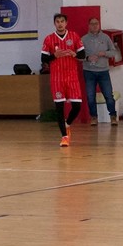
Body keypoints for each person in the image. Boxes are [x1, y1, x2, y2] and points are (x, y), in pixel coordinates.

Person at [41, 13, 86, 147]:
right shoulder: (49, 39)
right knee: (59, 109)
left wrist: (75, 54)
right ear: (54, 23)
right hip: (57, 78)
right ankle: (64, 137)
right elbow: (43, 59)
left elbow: (82, 55)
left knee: (77, 106)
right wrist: (54, 55)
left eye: (62, 21)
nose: (60, 24)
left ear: (66, 23)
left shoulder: (74, 36)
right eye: (57, 21)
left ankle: (67, 124)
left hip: (72, 77)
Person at [81, 17, 119, 126]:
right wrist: (87, 58)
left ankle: (113, 116)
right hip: (89, 72)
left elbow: (113, 52)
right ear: (89, 25)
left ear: (99, 25)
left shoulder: (106, 38)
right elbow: (78, 55)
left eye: (96, 23)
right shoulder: (83, 39)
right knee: (90, 96)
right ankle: (93, 117)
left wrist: (104, 53)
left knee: (109, 95)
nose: (94, 26)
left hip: (103, 72)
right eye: (92, 24)